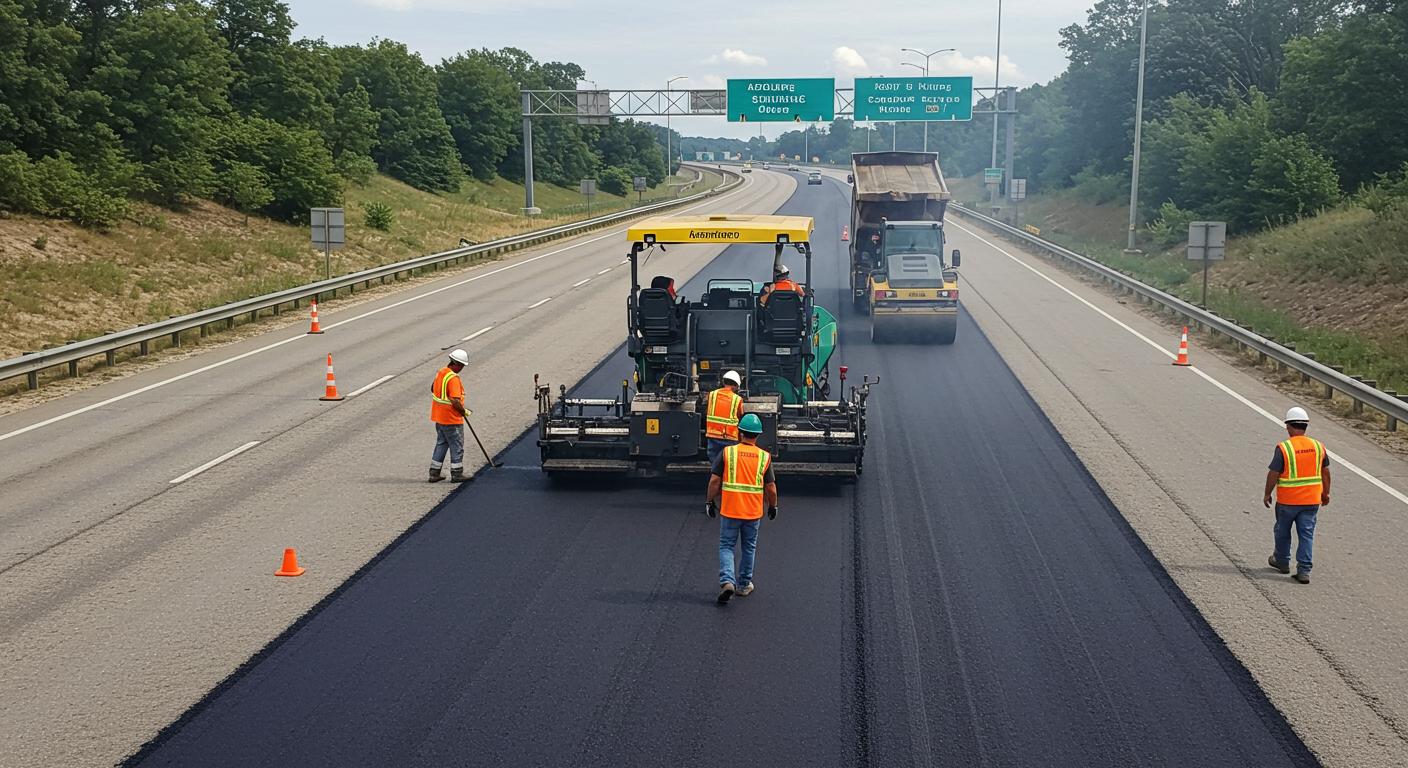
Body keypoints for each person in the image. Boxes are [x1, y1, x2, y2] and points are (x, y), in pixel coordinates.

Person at [705, 414, 778, 604]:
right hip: (753, 512)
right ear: (758, 435)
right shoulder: (764, 457)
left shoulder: (728, 453)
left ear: (739, 431)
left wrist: (709, 501)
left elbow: (714, 481)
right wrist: (773, 506)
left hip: (730, 510)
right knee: (749, 547)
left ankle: (727, 581)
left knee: (727, 546)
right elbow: (771, 487)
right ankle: (744, 584)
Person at [1263, 406, 1331, 584]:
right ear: (1305, 426)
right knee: (1306, 534)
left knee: (1282, 531)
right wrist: (1326, 493)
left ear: (1288, 426)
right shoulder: (1318, 446)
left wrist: (1267, 493)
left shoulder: (1284, 448)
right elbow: (1325, 473)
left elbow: (1273, 473)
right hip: (1311, 501)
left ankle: (1282, 561)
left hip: (1288, 501)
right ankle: (1304, 570)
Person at [429, 349, 471, 483]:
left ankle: (434, 473)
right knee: (457, 445)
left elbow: (432, 388)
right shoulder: (453, 378)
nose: (462, 369)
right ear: (457, 364)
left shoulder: (441, 372)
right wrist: (463, 412)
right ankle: (457, 473)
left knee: (442, 443)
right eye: (462, 366)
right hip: (451, 419)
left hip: (439, 417)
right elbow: (455, 400)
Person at [705, 370, 744, 464]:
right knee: (729, 463)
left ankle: (717, 477)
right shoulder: (737, 399)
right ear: (736, 385)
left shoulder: (712, 395)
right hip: (729, 437)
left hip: (713, 434)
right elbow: (740, 414)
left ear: (723, 382)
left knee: (715, 464)